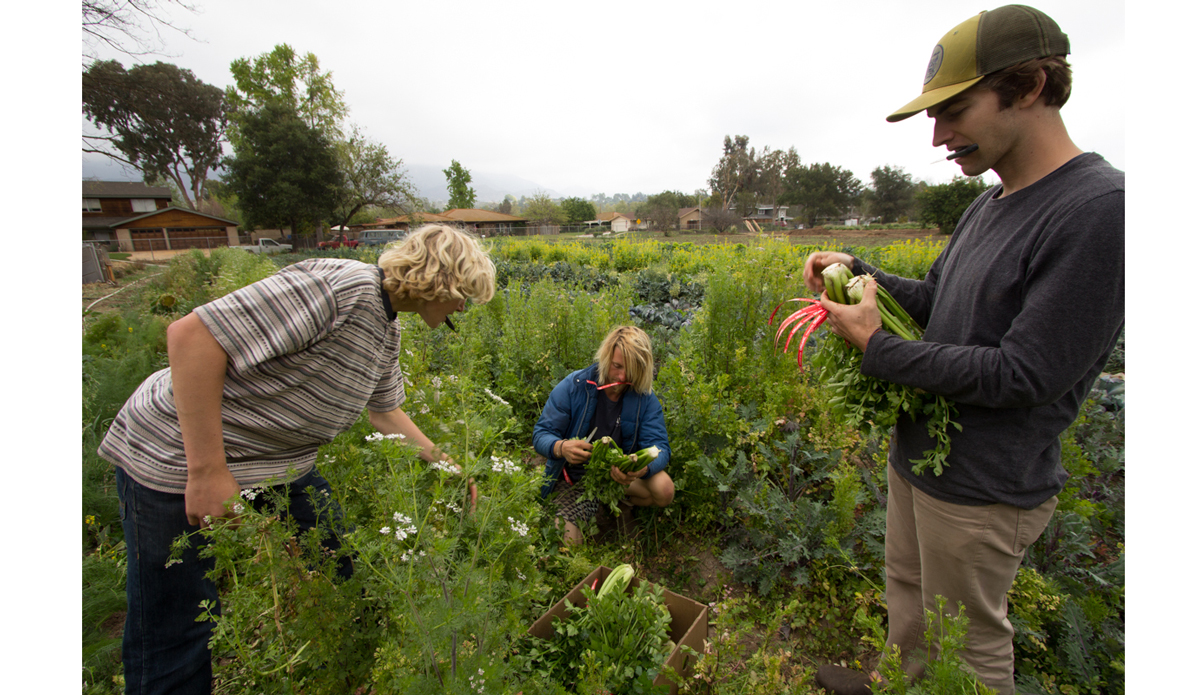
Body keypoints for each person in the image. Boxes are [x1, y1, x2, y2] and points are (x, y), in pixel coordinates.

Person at [807, 6, 1123, 695]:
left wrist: (878, 347)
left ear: (1032, 85)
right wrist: (861, 274)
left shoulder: (1099, 209)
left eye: (954, 110)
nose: (939, 136)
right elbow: (940, 301)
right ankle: (900, 684)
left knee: (969, 647)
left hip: (983, 483)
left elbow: (1025, 372)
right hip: (922, 453)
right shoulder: (992, 200)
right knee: (911, 597)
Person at [98, 224, 495, 695]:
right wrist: (208, 470)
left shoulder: (387, 330)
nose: (463, 307)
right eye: (463, 295)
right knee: (176, 623)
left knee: (347, 561)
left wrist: (447, 464)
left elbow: (384, 411)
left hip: (277, 465)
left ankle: (369, 666)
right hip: (176, 455)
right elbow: (192, 337)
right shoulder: (340, 286)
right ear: (440, 281)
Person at [532, 325, 674, 544]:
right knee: (566, 542)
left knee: (664, 489)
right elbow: (541, 434)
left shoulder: (644, 398)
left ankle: (613, 506)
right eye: (617, 366)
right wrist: (561, 447)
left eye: (632, 369)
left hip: (617, 478)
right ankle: (593, 513)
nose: (622, 376)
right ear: (606, 358)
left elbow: (660, 447)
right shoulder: (575, 385)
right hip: (576, 480)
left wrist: (641, 468)